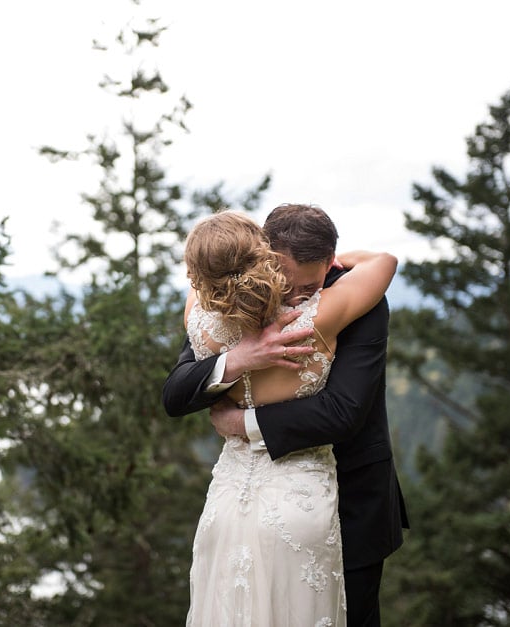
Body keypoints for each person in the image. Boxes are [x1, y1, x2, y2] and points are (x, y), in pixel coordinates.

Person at [165, 204, 409, 627]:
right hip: (250, 503)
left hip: (353, 500)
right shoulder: (229, 302)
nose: (294, 298)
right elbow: (177, 390)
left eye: (309, 286)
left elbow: (345, 411)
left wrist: (242, 425)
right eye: (286, 284)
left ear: (330, 261)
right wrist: (236, 360)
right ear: (265, 259)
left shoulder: (355, 299)